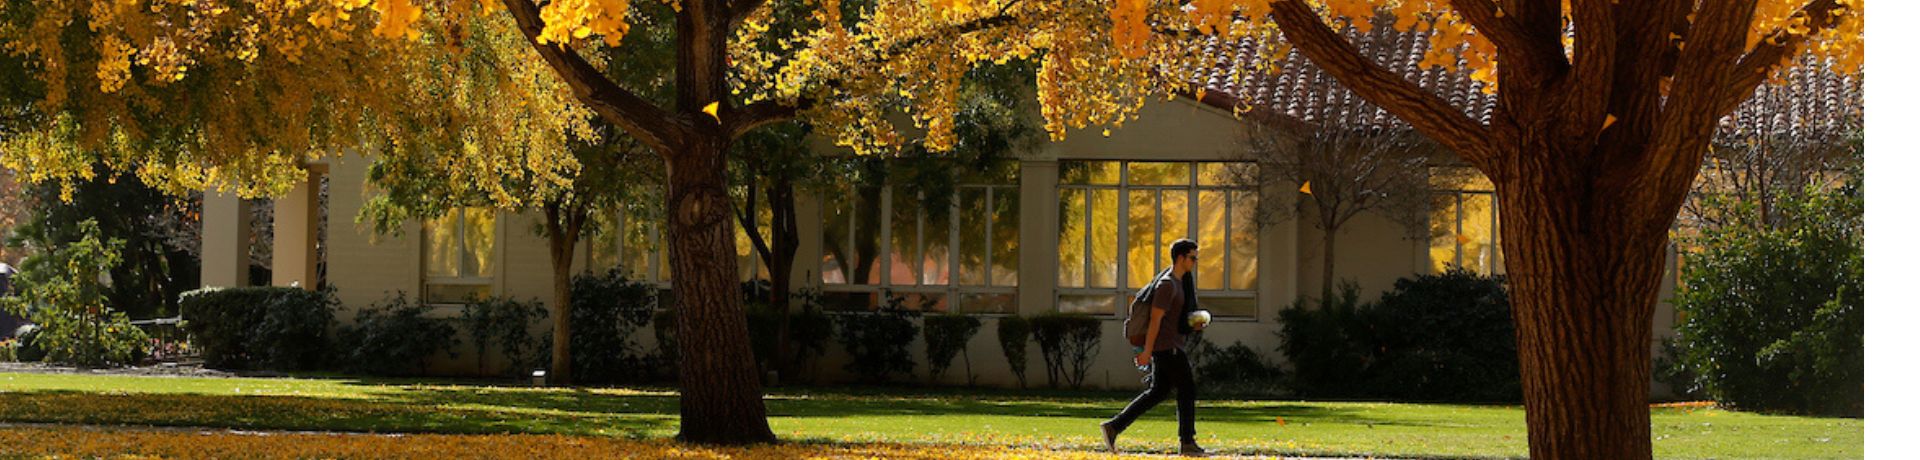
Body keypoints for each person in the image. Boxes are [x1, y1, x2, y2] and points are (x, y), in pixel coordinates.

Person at [1102, 239, 1207, 456]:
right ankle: (1187, 442)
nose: (1195, 262)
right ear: (1180, 258)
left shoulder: (1180, 282)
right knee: (1187, 390)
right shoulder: (1167, 284)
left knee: (1158, 392)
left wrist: (1192, 323)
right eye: (1192, 258)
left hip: (1172, 344)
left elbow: (1173, 318)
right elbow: (1155, 321)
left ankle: (1114, 426)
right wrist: (1146, 351)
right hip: (1167, 347)